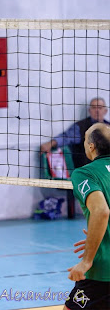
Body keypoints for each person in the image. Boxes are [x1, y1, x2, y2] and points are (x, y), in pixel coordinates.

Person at [63, 123, 110, 310]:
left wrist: (87, 260)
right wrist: (100, 238)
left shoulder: (85, 173)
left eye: (85, 139)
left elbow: (101, 211)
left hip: (103, 271)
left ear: (91, 146)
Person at [41, 98, 110, 169]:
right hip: (86, 170)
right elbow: (66, 137)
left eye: (100, 108)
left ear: (105, 111)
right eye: (94, 107)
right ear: (89, 110)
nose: (97, 110)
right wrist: (50, 143)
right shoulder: (80, 127)